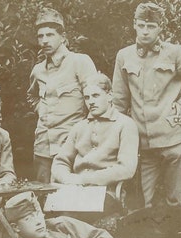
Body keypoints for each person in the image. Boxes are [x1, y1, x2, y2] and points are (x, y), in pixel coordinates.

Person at [112, 2, 181, 209]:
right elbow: (119, 100)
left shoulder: (175, 53)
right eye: (141, 25)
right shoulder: (124, 56)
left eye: (151, 26)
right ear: (134, 24)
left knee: (179, 203)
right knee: (140, 205)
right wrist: (116, 137)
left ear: (161, 27)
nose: (145, 31)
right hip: (141, 145)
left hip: (174, 139)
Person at [3, 191, 181, 238]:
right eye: (29, 218)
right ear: (15, 227)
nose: (38, 221)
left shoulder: (60, 225)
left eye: (38, 214)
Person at [51, 73, 139, 222]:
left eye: (96, 95)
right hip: (74, 189)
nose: (91, 101)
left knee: (70, 216)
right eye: (87, 97)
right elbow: (60, 161)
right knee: (45, 209)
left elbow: (126, 169)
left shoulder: (125, 125)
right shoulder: (79, 127)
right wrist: (67, 179)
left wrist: (84, 179)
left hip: (106, 192)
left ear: (110, 95)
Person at [27, 8, 97, 183]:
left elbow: (96, 99)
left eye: (50, 35)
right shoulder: (38, 70)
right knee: (42, 198)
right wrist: (41, 110)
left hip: (71, 144)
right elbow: (32, 96)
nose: (44, 40)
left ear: (63, 37)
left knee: (70, 198)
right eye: (40, 36)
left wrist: (85, 129)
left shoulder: (80, 62)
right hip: (43, 145)